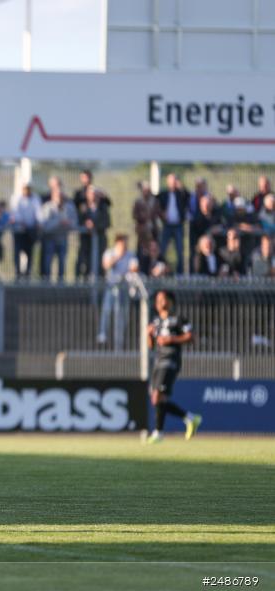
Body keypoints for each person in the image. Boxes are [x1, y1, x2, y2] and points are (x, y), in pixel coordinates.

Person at [145, 290, 202, 444]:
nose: (159, 302)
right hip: (158, 361)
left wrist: (171, 338)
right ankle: (190, 418)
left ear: (170, 301)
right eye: (157, 300)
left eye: (162, 299)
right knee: (157, 399)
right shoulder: (155, 322)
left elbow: (191, 336)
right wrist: (149, 335)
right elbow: (151, 346)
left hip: (170, 360)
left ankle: (158, 433)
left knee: (157, 395)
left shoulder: (179, 320)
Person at [97, 234, 136, 347]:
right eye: (123, 242)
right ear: (117, 243)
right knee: (107, 310)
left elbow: (134, 266)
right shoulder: (110, 253)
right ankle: (103, 333)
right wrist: (118, 256)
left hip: (124, 287)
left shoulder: (130, 254)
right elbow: (106, 265)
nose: (125, 245)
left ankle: (121, 336)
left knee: (123, 313)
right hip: (112, 287)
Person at [38, 179, 77, 280]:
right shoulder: (47, 207)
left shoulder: (69, 207)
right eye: (57, 196)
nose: (60, 198)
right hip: (49, 239)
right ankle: (46, 284)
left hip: (63, 238)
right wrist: (58, 222)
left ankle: (61, 283)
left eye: (61, 196)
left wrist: (68, 224)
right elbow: (44, 225)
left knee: (62, 262)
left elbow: (75, 223)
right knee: (47, 262)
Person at [156, 173, 189, 275]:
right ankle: (160, 270)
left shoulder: (181, 194)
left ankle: (179, 273)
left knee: (179, 250)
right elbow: (155, 203)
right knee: (162, 248)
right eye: (171, 181)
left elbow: (188, 196)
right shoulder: (163, 194)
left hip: (178, 225)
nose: (173, 183)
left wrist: (181, 187)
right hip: (167, 225)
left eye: (175, 181)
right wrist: (161, 214)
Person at [76, 186, 110, 280]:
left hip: (100, 241)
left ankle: (99, 288)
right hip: (86, 241)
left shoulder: (103, 208)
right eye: (91, 194)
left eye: (95, 194)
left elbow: (107, 222)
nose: (93, 196)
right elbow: (78, 221)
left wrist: (94, 225)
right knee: (85, 263)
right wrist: (86, 224)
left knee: (100, 265)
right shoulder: (83, 208)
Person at [9, 183, 41, 279]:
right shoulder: (16, 198)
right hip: (19, 231)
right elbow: (15, 212)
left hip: (30, 231)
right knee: (17, 252)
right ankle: (18, 274)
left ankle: (27, 274)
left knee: (29, 253)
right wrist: (21, 222)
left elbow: (38, 212)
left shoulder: (35, 199)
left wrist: (38, 222)